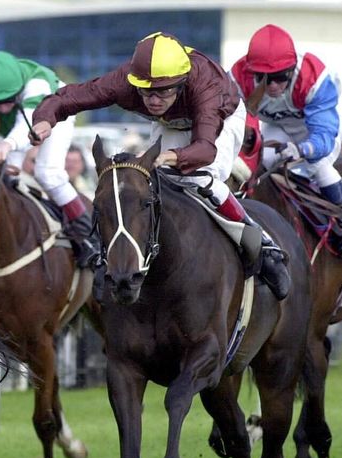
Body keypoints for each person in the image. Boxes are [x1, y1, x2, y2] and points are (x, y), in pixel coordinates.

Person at [32, 31, 290, 299]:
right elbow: (72, 96)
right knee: (148, 183)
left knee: (199, 178)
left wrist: (172, 157)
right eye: (147, 92)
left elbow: (204, 149)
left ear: (180, 84)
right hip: (172, 122)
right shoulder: (125, 81)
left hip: (222, 119)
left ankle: (265, 248)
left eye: (163, 92)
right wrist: (45, 118)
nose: (154, 100)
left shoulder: (205, 86)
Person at [0, 51, 97, 266]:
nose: (3, 107)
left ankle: (87, 236)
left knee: (47, 173)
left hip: (53, 117)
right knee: (6, 175)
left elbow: (30, 128)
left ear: (20, 87)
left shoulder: (37, 85)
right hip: (16, 128)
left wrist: (8, 144)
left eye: (8, 100)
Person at [229, 24, 342, 205]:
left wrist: (302, 149)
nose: (272, 85)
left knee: (322, 170)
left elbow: (324, 135)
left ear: (292, 69)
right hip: (277, 129)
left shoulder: (313, 78)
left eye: (280, 77)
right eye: (263, 77)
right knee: (260, 161)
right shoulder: (238, 79)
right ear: (252, 72)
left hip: (316, 132)